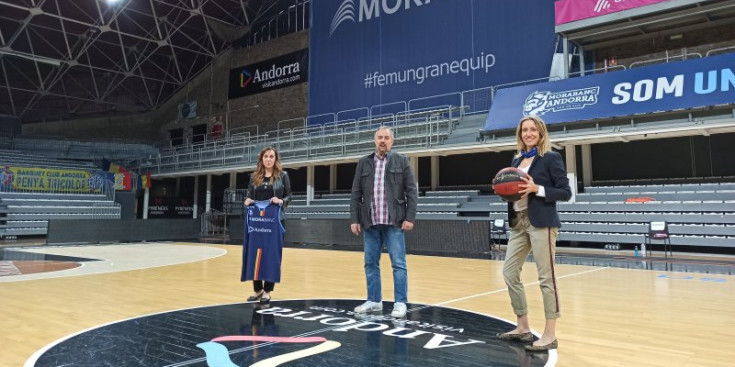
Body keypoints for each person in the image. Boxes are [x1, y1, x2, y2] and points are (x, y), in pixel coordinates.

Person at [494, 115, 571, 351]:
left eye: (532, 130)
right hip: (519, 222)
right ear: (520, 134)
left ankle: (549, 335)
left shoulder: (550, 157)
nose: (528, 133)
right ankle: (523, 327)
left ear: (540, 133)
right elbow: (513, 189)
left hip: (542, 222)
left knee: (546, 278)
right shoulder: (516, 159)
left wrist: (537, 188)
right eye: (524, 130)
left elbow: (565, 192)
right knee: (509, 273)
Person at [349, 127, 418, 318]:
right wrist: (355, 219)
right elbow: (356, 193)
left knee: (398, 264)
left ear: (392, 141)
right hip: (370, 223)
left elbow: (412, 191)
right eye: (380, 137)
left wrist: (410, 217)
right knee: (370, 263)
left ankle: (400, 303)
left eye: (386, 138)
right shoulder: (364, 163)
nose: (383, 141)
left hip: (394, 222)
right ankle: (374, 301)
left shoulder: (401, 161)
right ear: (374, 140)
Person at [242, 147, 292, 303]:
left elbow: (289, 195)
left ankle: (268, 291)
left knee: (271, 256)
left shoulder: (283, 176)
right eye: (266, 156)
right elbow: (250, 196)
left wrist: (281, 201)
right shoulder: (254, 177)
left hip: (275, 222)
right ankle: (258, 290)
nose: (268, 159)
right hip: (257, 222)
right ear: (261, 159)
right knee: (254, 254)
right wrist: (247, 200)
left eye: (271, 156)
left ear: (275, 159)